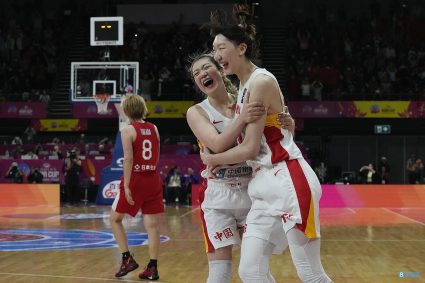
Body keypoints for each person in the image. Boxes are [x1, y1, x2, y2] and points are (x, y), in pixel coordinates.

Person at [201, 5, 332, 282]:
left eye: (221, 48)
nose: (216, 56)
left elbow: (249, 148)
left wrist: (212, 160)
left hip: (288, 180)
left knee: (310, 273)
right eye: (214, 49)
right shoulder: (243, 88)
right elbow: (264, 137)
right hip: (262, 186)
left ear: (241, 48)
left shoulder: (260, 82)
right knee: (250, 270)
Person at [186, 52, 294, 283]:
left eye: (206, 67)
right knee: (219, 273)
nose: (202, 74)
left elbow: (268, 140)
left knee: (256, 270)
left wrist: (288, 125)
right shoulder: (196, 112)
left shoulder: (245, 100)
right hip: (218, 197)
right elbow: (216, 143)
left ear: (219, 70)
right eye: (196, 73)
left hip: (252, 193)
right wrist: (242, 119)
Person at [110, 94, 163, 280]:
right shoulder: (154, 128)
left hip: (137, 179)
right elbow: (156, 154)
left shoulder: (127, 130)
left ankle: (127, 259)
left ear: (126, 111)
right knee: (152, 226)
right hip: (153, 178)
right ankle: (153, 267)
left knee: (115, 219)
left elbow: (129, 159)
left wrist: (125, 185)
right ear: (143, 108)